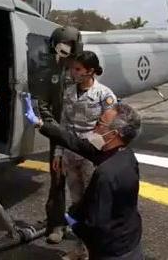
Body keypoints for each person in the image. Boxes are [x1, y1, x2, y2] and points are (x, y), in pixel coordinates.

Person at [25, 100, 143, 260]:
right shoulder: (125, 155)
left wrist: (74, 221)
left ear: (114, 134)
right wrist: (41, 124)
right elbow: (76, 143)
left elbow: (96, 224)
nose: (95, 128)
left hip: (112, 250)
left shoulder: (106, 173)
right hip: (130, 236)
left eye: (100, 124)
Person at [35, 50, 118, 258]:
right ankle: (81, 249)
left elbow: (110, 129)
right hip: (71, 156)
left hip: (93, 158)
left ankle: (97, 251)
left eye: (78, 69)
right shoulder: (69, 93)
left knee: (95, 206)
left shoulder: (105, 96)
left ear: (90, 71)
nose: (73, 72)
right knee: (77, 205)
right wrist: (59, 153)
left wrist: (100, 155)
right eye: (72, 68)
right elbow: (64, 126)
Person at [34, 26, 82, 244]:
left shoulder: (81, 71)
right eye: (60, 43)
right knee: (57, 181)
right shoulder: (50, 71)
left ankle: (83, 226)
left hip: (81, 136)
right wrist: (54, 128)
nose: (63, 48)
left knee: (84, 184)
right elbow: (43, 104)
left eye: (68, 44)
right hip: (59, 137)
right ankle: (56, 224)